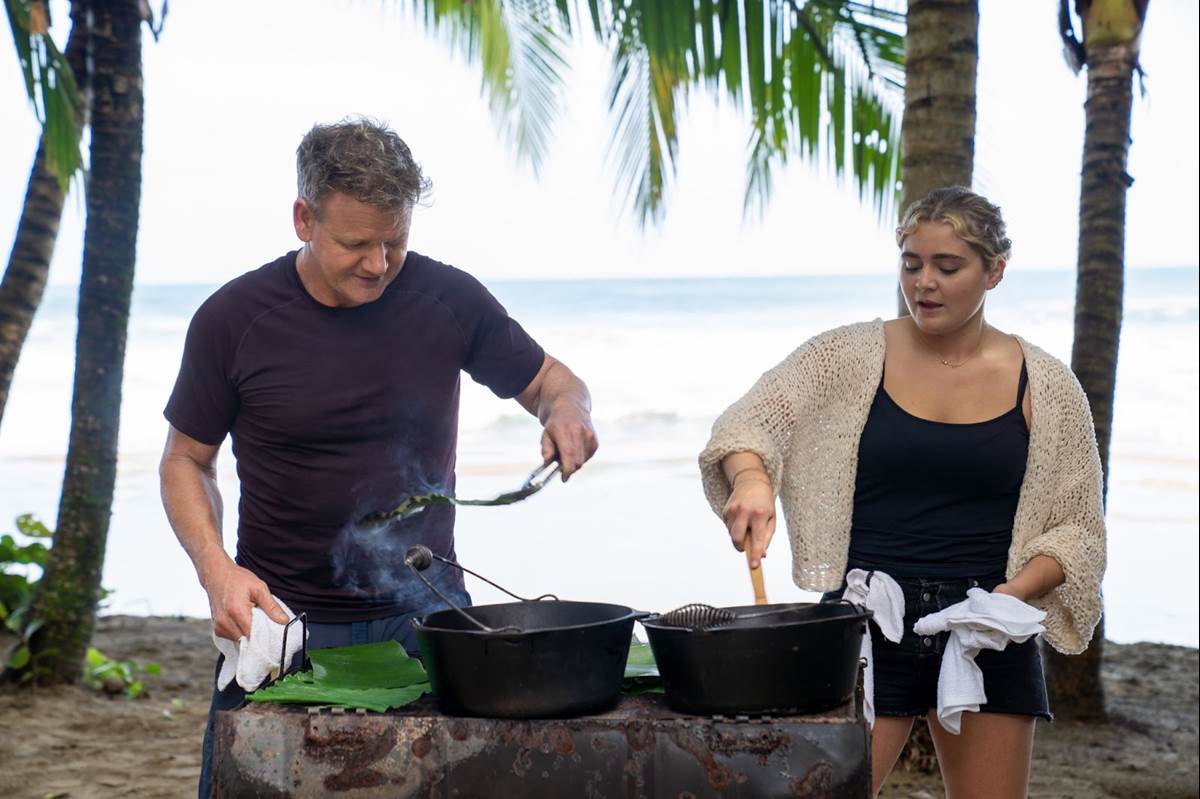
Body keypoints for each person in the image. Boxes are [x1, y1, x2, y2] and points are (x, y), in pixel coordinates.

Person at [159, 117, 598, 797]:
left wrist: (568, 411)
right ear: (304, 219)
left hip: (427, 612)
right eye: (356, 244)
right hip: (281, 622)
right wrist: (216, 571)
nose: (378, 264)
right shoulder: (233, 320)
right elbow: (186, 461)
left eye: (395, 241)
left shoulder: (447, 299)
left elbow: (551, 381)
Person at [698, 187, 1106, 798]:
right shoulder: (845, 355)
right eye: (911, 264)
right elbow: (746, 426)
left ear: (995, 270)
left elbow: (1078, 532)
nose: (924, 283)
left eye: (948, 267)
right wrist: (753, 479)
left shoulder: (1045, 384)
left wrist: (1012, 594)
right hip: (865, 619)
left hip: (986, 627)